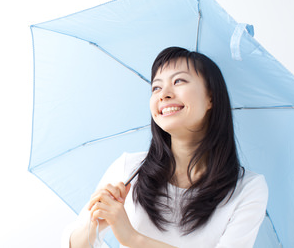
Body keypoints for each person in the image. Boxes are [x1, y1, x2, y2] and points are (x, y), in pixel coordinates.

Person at [62, 47, 268, 248]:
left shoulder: (247, 188)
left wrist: (133, 239)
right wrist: (96, 222)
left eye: (179, 81)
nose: (164, 94)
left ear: (210, 98)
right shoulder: (129, 169)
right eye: (156, 87)